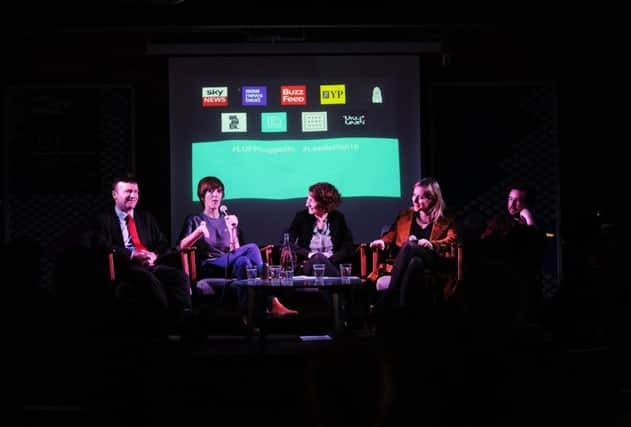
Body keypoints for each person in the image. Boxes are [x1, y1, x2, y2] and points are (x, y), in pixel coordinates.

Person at [177, 176, 297, 319]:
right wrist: (198, 232)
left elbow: (237, 251)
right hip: (210, 265)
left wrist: (233, 230)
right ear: (202, 197)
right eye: (209, 191)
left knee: (244, 262)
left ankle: (247, 316)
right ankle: (272, 298)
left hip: (229, 264)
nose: (215, 195)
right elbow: (181, 247)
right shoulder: (195, 219)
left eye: (218, 191)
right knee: (252, 248)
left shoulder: (227, 219)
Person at [92, 174, 192, 334]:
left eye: (135, 192)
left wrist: (153, 255)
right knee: (148, 279)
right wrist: (132, 256)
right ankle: (165, 323)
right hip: (125, 267)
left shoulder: (146, 218)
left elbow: (162, 243)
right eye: (128, 191)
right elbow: (101, 245)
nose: (133, 195)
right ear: (115, 194)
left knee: (179, 276)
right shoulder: (103, 219)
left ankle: (186, 321)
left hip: (150, 264)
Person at [370, 177, 458, 311]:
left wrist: (432, 244)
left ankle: (387, 298)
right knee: (415, 262)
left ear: (433, 199)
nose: (415, 200)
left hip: (434, 262)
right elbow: (392, 233)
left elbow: (453, 239)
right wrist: (383, 241)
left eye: (421, 197)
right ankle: (405, 313)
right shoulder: (406, 215)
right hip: (412, 264)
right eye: (414, 195)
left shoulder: (446, 218)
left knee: (409, 246)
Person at [474, 184, 545, 330]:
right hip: (503, 275)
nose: (512, 204)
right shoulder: (500, 221)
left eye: (518, 201)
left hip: (525, 275)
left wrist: (528, 216)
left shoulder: (532, 224)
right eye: (510, 199)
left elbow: (536, 244)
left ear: (526, 204)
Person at [286, 182, 354, 276]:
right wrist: (309, 255)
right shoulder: (301, 217)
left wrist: (329, 258)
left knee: (320, 259)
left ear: (323, 203)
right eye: (307, 199)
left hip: (331, 264)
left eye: (311, 200)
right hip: (307, 265)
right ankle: (340, 286)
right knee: (317, 258)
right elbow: (287, 241)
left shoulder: (338, 218)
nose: (306, 204)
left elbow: (348, 248)